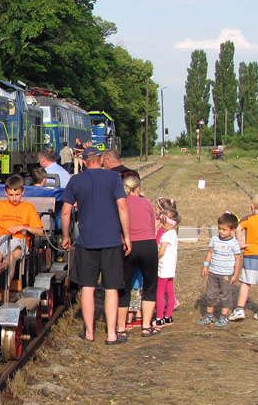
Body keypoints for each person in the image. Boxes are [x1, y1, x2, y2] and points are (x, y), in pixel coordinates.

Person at [60, 147, 131, 345]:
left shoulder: (76, 181)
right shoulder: (114, 179)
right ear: (101, 159)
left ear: (83, 162)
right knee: (111, 288)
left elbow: (66, 212)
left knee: (88, 287)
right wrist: (127, 236)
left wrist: (66, 236)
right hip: (111, 241)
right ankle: (111, 334)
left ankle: (90, 333)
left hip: (86, 241)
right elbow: (123, 207)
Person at [116, 175, 158, 338]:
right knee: (149, 286)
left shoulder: (120, 203)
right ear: (138, 188)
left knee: (124, 287)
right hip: (148, 244)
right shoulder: (147, 203)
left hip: (128, 245)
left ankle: (121, 328)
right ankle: (146, 326)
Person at [230, 193, 258, 322]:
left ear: (252, 206)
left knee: (246, 283)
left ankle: (239, 309)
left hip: (251, 255)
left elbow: (238, 228)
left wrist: (240, 243)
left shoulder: (248, 219)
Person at [0, 175, 44, 283]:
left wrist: (23, 227)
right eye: (11, 195)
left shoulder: (28, 207)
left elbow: (39, 231)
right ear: (6, 193)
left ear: (22, 192)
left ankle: (5, 285)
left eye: (17, 195)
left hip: (18, 239)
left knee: (12, 255)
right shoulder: (0, 206)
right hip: (1, 238)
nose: (14, 198)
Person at [198, 212, 242, 327]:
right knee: (211, 294)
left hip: (226, 274)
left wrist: (236, 274)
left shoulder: (234, 244)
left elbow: (238, 260)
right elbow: (210, 252)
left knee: (225, 295)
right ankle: (209, 315)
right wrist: (205, 266)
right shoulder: (214, 239)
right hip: (213, 272)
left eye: (224, 229)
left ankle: (224, 316)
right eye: (219, 229)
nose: (221, 232)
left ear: (232, 230)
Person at [155, 208, 181, 329]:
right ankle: (168, 316)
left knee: (159, 293)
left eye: (162, 222)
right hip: (170, 268)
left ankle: (159, 318)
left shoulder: (166, 236)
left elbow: (161, 252)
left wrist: (153, 259)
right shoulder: (174, 234)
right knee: (170, 292)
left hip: (162, 268)